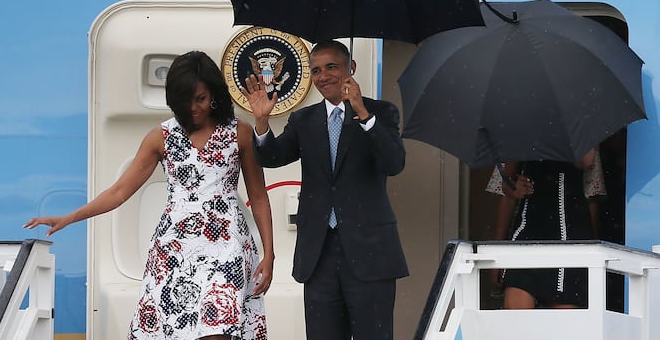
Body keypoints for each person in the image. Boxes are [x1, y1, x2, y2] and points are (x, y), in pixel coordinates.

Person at [23, 51, 274, 340]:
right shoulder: (161, 136)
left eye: (201, 98)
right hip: (174, 248)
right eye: (185, 100)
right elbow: (118, 192)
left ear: (214, 95)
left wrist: (269, 254)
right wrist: (70, 217)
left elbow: (260, 197)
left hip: (228, 246)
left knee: (218, 331)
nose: (193, 108)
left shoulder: (239, 132)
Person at [242, 39, 408, 340]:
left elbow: (394, 163)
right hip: (319, 254)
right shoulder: (304, 120)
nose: (323, 76)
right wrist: (262, 122)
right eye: (316, 70)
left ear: (351, 68)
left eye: (332, 66)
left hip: (369, 251)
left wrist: (361, 112)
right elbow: (272, 157)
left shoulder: (381, 112)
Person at [487, 147, 606, 309]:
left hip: (570, 235)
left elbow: (585, 163)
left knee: (562, 330)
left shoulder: (578, 125)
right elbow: (506, 186)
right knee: (515, 325)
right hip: (528, 232)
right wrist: (515, 187)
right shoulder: (518, 126)